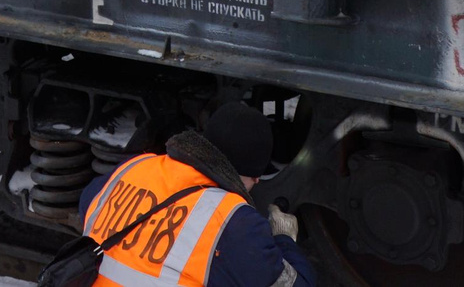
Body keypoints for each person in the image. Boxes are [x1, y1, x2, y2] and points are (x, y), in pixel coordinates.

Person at [78, 101, 315, 287]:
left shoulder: (133, 168)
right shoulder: (232, 222)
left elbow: (87, 203)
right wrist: (284, 238)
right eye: (257, 175)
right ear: (251, 174)